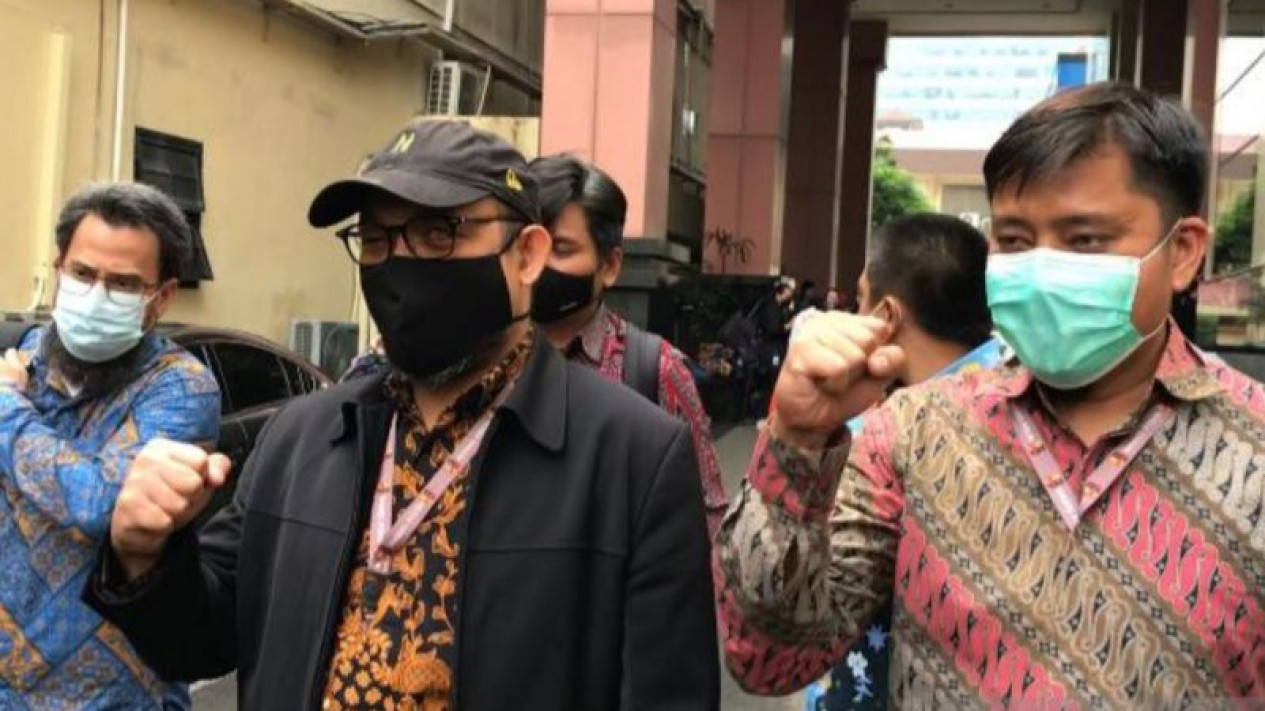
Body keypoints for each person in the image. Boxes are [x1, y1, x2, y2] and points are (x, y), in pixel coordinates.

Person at [86, 120, 719, 711]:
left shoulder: (635, 459)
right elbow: (202, 638)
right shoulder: (301, 441)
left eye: (439, 233)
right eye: (377, 239)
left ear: (527, 254)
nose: (401, 263)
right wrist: (144, 556)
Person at [717, 82, 1265, 708]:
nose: (1042, 269)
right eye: (1014, 240)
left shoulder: (1251, 450)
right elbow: (770, 658)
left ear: (1183, 252)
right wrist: (797, 441)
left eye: (1085, 240)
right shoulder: (915, 431)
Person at [0, 183, 220, 709]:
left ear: (160, 298)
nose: (96, 295)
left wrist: (6, 408)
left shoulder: (179, 387)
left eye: (122, 284)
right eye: (82, 274)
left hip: (115, 698)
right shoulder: (27, 358)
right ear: (59, 268)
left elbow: (102, 503)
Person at [797, 213, 1002, 711]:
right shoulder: (1025, 407)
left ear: (886, 315)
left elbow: (792, 606)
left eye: (860, 299)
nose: (854, 314)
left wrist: (793, 439)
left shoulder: (874, 432)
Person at [527, 154, 727, 536]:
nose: (539, 265)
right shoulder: (489, 361)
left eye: (562, 250)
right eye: (529, 246)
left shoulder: (656, 370)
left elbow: (705, 515)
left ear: (610, 266)